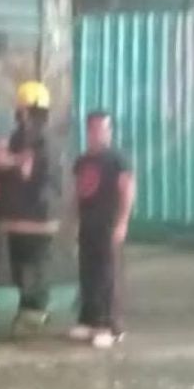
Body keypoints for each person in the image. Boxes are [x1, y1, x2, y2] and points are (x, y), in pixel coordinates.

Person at [0, 81, 58, 335]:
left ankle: (36, 310)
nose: (19, 115)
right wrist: (11, 160)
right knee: (20, 265)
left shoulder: (44, 140)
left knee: (35, 264)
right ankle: (27, 309)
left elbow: (26, 168)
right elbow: (7, 163)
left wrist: (10, 160)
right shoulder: (18, 137)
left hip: (39, 216)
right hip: (19, 215)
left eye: (23, 110)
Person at [69, 111, 135, 349]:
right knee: (88, 274)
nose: (98, 134)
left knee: (109, 276)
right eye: (94, 129)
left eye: (103, 129)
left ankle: (111, 327)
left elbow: (127, 190)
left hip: (108, 225)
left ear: (110, 131)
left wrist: (122, 222)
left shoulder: (117, 159)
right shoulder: (83, 161)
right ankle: (89, 320)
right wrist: (75, 223)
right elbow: (78, 193)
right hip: (88, 225)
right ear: (87, 132)